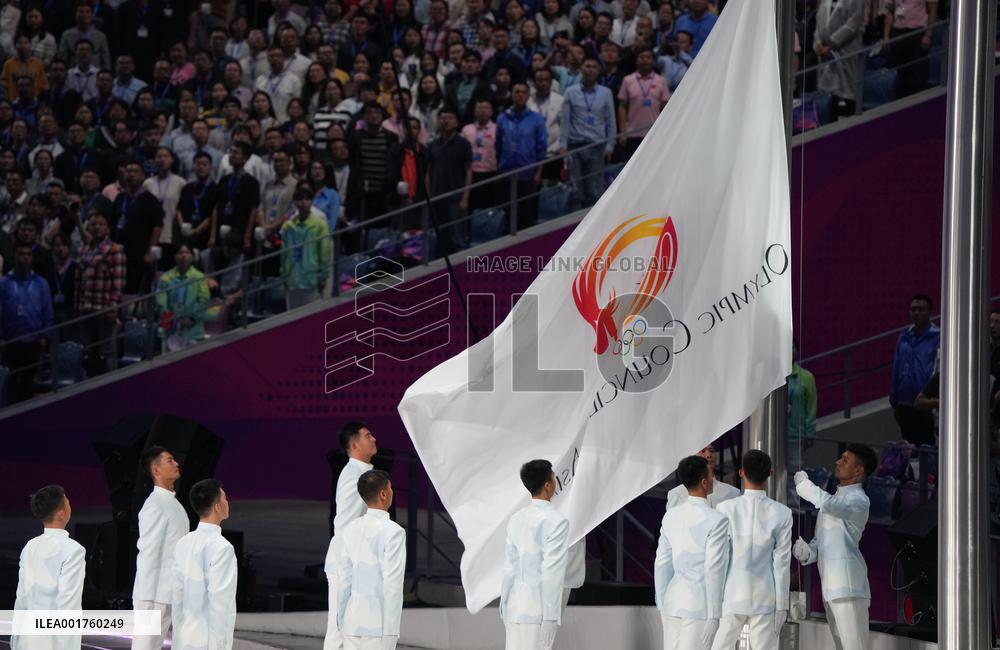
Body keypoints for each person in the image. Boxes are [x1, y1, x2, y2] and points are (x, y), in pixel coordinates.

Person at [792, 444, 877, 650]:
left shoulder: (859, 500)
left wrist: (804, 486)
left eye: (845, 460)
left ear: (859, 470)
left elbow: (828, 504)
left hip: (848, 587)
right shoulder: (835, 498)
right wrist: (808, 552)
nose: (838, 462)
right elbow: (823, 543)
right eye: (841, 458)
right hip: (831, 586)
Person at [710, 450, 792, 650]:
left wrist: (713, 601)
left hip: (730, 594)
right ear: (770, 473)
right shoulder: (783, 513)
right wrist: (782, 605)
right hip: (765, 597)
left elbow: (718, 560)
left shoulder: (725, 508)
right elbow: (782, 564)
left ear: (741, 473)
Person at [655, 455, 729, 650]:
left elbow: (661, 563)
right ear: (703, 482)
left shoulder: (670, 516)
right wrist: (714, 613)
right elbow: (714, 568)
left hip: (672, 601)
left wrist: (661, 603)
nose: (714, 479)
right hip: (700, 606)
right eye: (711, 475)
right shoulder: (717, 520)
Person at [500, 459, 569, 650]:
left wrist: (504, 602)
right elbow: (552, 571)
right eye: (554, 477)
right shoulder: (557, 522)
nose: (556, 481)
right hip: (538, 611)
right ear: (548, 486)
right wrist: (551, 616)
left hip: (513, 606)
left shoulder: (517, 518)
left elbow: (509, 566)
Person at [336, 470, 406, 650]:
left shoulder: (351, 529)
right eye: (390, 489)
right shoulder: (394, 532)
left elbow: (344, 579)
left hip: (351, 623)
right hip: (378, 627)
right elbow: (393, 585)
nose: (392, 492)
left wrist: (341, 620)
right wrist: (391, 631)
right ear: (383, 494)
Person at [325, 421, 379, 650]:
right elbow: (345, 523)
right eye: (368, 435)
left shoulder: (365, 474)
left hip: (359, 562)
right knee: (339, 630)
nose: (374, 439)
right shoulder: (354, 476)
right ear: (355, 445)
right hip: (347, 562)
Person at [12, 485, 86, 650]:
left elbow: (21, 598)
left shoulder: (30, 546)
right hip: (53, 642)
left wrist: (15, 639)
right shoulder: (73, 550)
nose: (69, 505)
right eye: (67, 502)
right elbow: (68, 604)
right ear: (61, 513)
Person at [132, 446, 189, 650]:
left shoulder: (175, 505)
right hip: (153, 596)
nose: (176, 463)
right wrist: (146, 601)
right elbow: (148, 553)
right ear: (156, 470)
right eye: (170, 460)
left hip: (169, 593)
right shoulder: (154, 505)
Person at [172, 479, 237, 650]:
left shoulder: (183, 543)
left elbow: (177, 596)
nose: (227, 502)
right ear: (217, 507)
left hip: (184, 638)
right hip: (208, 641)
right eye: (225, 498)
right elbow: (220, 603)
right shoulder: (223, 548)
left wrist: (177, 639)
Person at [0, 243, 53, 403]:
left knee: (30, 383)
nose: (24, 257)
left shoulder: (41, 283)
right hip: (11, 341)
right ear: (14, 256)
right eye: (20, 254)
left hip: (34, 341)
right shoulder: (4, 283)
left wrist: (46, 335)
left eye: (28, 254)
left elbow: (47, 310)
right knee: (12, 383)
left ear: (32, 258)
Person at [560, 56, 615, 209]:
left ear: (598, 71)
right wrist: (563, 145)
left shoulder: (606, 92)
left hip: (596, 146)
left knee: (594, 190)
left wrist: (610, 145)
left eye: (593, 67)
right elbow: (565, 120)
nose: (590, 70)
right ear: (581, 69)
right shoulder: (571, 92)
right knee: (576, 189)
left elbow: (610, 120)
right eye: (587, 66)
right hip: (574, 146)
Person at [76, 213, 125, 377]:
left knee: (108, 349)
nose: (96, 228)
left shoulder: (114, 249)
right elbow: (79, 281)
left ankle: (111, 384)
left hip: (104, 308)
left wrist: (113, 306)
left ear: (108, 228)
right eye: (92, 224)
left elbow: (118, 282)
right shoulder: (83, 250)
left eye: (100, 224)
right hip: (86, 307)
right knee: (90, 349)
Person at [889, 293, 940, 446]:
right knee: (909, 452)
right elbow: (896, 370)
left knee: (928, 450)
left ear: (930, 312)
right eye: (913, 309)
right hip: (904, 405)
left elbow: (939, 371)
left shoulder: (939, 337)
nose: (916, 312)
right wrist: (894, 401)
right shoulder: (903, 338)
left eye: (921, 309)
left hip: (927, 405)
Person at [496, 82, 547, 229]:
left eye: (523, 92)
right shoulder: (502, 118)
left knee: (526, 216)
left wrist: (538, 173)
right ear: (512, 94)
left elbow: (541, 148)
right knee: (506, 216)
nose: (520, 95)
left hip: (527, 174)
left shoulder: (536, 119)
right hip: (506, 173)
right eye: (517, 92)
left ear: (528, 96)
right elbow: (498, 145)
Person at [113, 161, 164, 294]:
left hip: (139, 254)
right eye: (129, 171)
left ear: (143, 176)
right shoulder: (120, 198)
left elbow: (157, 227)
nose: (132, 174)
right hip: (119, 252)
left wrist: (149, 252)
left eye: (136, 171)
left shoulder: (151, 200)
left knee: (135, 290)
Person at [280, 185, 331, 310]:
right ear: (294, 202)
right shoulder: (288, 226)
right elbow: (283, 254)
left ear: (312, 201)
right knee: (291, 319)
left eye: (307, 199)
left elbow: (324, 253)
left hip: (310, 279)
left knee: (311, 318)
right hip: (292, 279)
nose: (303, 203)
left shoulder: (320, 225)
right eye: (300, 199)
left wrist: (323, 276)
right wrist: (283, 275)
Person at [814, 0, 865, 119]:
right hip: (825, 56)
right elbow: (818, 22)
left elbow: (852, 24)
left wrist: (831, 44)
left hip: (846, 54)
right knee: (828, 102)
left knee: (845, 99)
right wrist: (818, 45)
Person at [616, 47, 668, 159]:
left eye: (648, 57)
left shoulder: (661, 81)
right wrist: (622, 132)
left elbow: (665, 108)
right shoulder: (628, 80)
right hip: (632, 133)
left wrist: (664, 131)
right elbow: (622, 107)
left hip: (654, 133)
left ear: (653, 61)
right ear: (636, 60)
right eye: (642, 57)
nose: (645, 60)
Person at [156, 244, 211, 350]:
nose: (183, 256)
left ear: (193, 256)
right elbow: (161, 300)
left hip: (193, 330)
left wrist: (192, 318)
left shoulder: (199, 277)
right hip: (171, 330)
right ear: (175, 256)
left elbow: (203, 300)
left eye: (187, 253)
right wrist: (169, 318)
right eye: (180, 253)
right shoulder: (166, 277)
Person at [883, 0, 938, 98]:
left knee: (917, 75)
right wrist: (886, 35)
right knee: (900, 75)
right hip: (898, 32)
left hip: (917, 32)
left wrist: (928, 35)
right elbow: (890, 11)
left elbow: (933, 10)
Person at [665, 444, 740, 510]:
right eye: (702, 451)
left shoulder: (733, 493)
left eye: (711, 451)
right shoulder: (676, 494)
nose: (708, 455)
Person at [788, 338, 818, 469]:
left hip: (796, 437)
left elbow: (811, 409)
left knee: (794, 475)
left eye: (793, 348)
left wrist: (809, 434)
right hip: (773, 436)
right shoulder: (772, 377)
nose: (790, 351)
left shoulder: (806, 377)